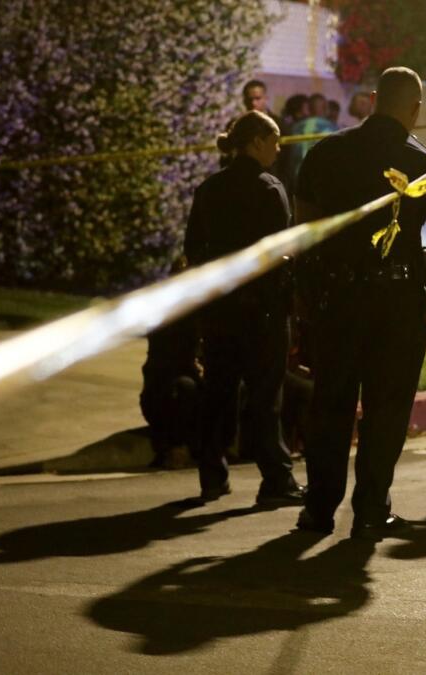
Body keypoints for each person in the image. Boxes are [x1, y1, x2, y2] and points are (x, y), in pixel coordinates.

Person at [293, 66, 426, 540]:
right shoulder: (424, 162)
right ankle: (370, 509)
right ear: (415, 108)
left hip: (337, 298)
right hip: (398, 303)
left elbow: (303, 231)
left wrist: (308, 298)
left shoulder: (325, 155)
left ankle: (318, 510)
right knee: (386, 409)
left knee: (331, 405)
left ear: (371, 99)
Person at [183, 110, 303, 507]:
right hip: (262, 311)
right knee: (265, 397)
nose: (279, 147)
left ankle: (212, 475)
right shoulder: (270, 188)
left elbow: (193, 250)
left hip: (220, 309)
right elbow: (281, 251)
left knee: (218, 391)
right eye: (274, 139)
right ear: (255, 143)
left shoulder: (209, 189)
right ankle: (275, 477)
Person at [139, 256, 200, 470]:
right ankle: (176, 448)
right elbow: (167, 357)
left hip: (182, 374)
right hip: (168, 379)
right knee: (183, 389)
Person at [284, 94, 339, 195]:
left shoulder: (295, 128)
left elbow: (290, 158)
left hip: (298, 179)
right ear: (326, 108)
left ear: (309, 108)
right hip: (322, 180)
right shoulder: (333, 129)